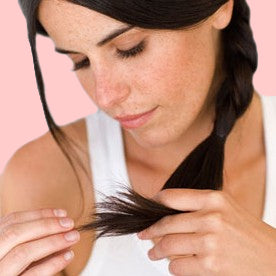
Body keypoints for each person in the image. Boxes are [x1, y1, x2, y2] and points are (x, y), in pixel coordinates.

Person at [0, 0, 275, 275]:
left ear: (221, 7)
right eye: (81, 61)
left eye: (130, 48)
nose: (105, 96)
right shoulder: (46, 179)